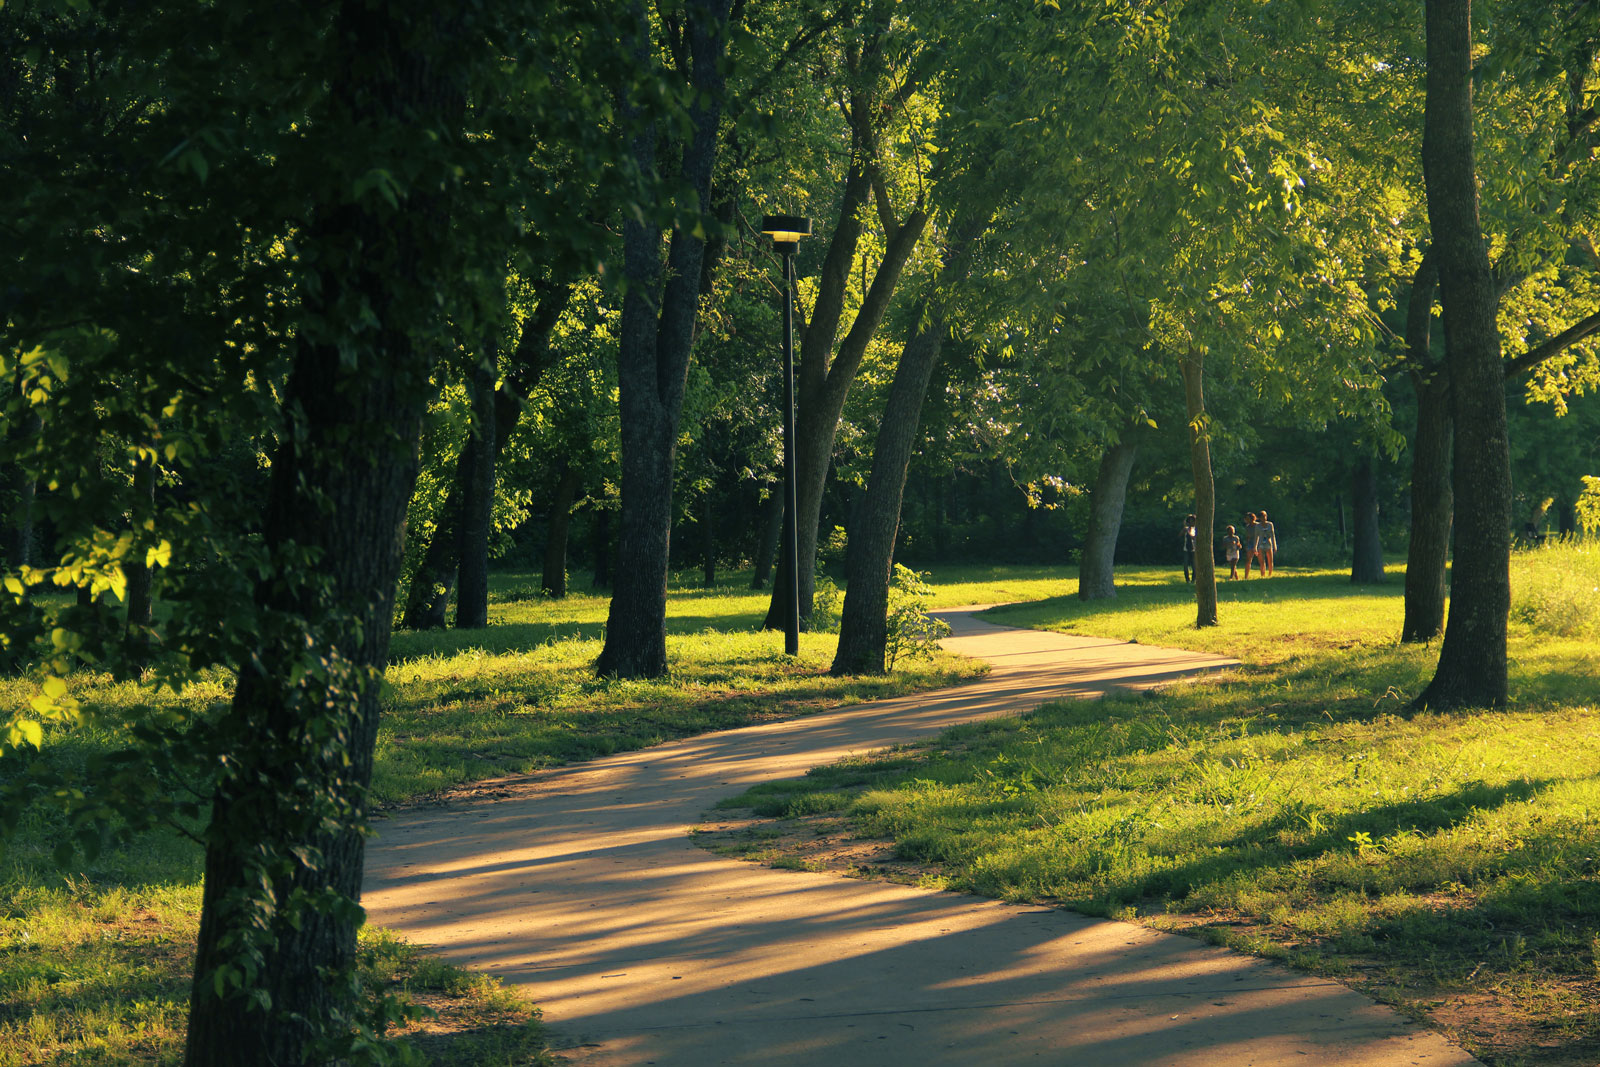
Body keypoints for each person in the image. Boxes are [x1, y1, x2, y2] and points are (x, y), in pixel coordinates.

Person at [1258, 509, 1277, 576]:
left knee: (1270, 560)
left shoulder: (1270, 524)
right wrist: (1255, 547)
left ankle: (1270, 574)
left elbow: (1272, 535)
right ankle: (1262, 574)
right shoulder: (1257, 526)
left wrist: (1275, 546)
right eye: (1262, 516)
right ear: (1260, 518)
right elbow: (1256, 537)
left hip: (1268, 544)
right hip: (1260, 544)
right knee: (1262, 561)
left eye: (1265, 516)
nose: (1264, 518)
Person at [1242, 512, 1262, 578]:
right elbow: (1247, 537)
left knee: (1261, 559)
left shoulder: (1258, 525)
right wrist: (1247, 545)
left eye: (1248, 518)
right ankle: (1246, 576)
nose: (1246, 520)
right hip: (1250, 543)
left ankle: (1263, 575)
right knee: (1248, 560)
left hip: (1259, 543)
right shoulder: (1247, 527)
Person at [1181, 513, 1197, 583]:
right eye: (1189, 521)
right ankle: (1187, 579)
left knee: (1194, 566)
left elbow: (1193, 537)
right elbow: (1179, 535)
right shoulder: (1186, 529)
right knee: (1185, 565)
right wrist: (1184, 529)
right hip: (1186, 549)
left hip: (1194, 549)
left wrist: (1187, 530)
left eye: (1192, 521)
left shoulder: (1196, 529)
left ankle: (1193, 579)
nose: (1191, 523)